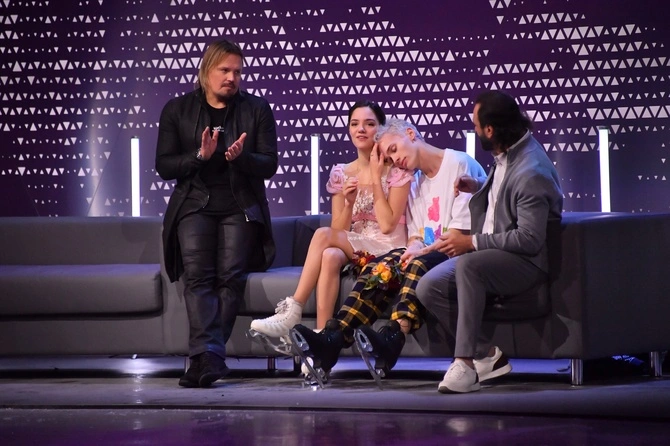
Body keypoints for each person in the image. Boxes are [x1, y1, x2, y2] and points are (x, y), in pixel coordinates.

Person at [289, 118, 486, 387]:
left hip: (459, 251)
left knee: (417, 263)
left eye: (394, 149)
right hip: (430, 249)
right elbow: (417, 235)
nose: (395, 160)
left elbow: (459, 234)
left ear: (410, 133)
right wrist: (413, 248)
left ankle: (394, 336)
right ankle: (333, 339)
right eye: (389, 158)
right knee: (381, 267)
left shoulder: (459, 163)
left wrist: (419, 251)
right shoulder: (415, 182)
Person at [414, 90, 563, 393]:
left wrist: (472, 242)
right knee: (428, 286)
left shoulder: (532, 171)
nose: (474, 129)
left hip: (525, 263)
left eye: (476, 125)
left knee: (469, 265)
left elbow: (529, 239)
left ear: (490, 130)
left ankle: (465, 364)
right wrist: (480, 185)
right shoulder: (510, 152)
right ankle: (486, 355)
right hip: (495, 252)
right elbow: (508, 194)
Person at [155, 39, 278, 388]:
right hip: (194, 204)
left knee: (230, 277)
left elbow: (269, 163)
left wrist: (242, 157)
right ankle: (209, 356)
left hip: (240, 206)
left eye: (237, 72)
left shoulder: (256, 109)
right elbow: (164, 165)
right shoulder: (177, 109)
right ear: (206, 71)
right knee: (198, 277)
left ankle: (205, 358)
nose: (231, 78)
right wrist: (200, 157)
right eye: (225, 70)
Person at [249, 101, 413, 347]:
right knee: (330, 254)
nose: (361, 129)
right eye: (354, 124)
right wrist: (348, 203)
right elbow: (339, 231)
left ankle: (293, 309)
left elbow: (389, 225)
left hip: (389, 248)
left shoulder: (397, 171)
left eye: (369, 124)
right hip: (358, 249)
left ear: (381, 129)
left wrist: (376, 177)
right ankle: (322, 338)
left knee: (324, 236)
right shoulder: (341, 174)